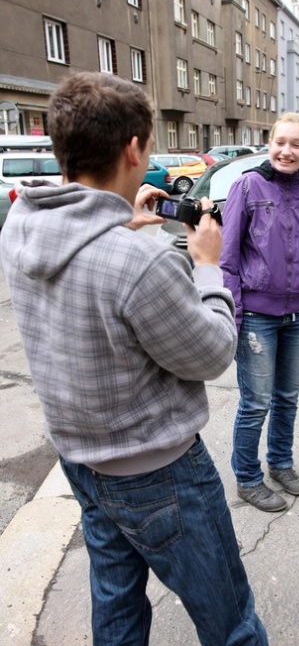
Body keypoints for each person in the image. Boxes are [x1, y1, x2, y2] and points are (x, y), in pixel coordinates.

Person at [0, 72, 268, 646]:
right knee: (232, 623)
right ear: (134, 148)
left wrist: (116, 217)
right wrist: (207, 265)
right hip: (160, 473)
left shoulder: (21, 226)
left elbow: (84, 259)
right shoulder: (139, 263)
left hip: (84, 462)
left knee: (118, 612)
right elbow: (213, 352)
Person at [219, 113, 299, 513]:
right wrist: (231, 321)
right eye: (280, 142)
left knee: (287, 398)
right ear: (270, 144)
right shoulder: (248, 186)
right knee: (256, 402)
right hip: (256, 317)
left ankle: (280, 464)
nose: (287, 150)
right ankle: (248, 479)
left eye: (296, 144)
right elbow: (228, 260)